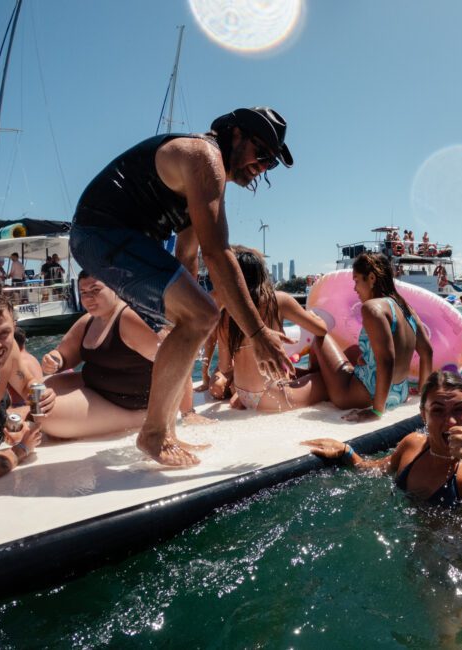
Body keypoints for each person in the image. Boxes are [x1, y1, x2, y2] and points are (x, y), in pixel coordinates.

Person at [69, 106, 295, 466]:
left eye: (270, 164)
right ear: (235, 134)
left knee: (196, 317)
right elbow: (218, 255)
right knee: (202, 315)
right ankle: (154, 434)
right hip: (100, 233)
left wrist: (183, 317)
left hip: (112, 239)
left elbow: (188, 256)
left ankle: (165, 429)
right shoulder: (204, 157)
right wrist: (257, 333)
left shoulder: (204, 179)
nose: (263, 167)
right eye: (262, 153)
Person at [303, 370, 462, 548]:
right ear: (423, 415)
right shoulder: (412, 445)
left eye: (459, 409)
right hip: (420, 553)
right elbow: (373, 470)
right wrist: (346, 451)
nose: (451, 421)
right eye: (437, 410)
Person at [307, 252, 432, 422]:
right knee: (353, 351)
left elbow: (387, 360)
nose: (355, 288)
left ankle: (312, 380)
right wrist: (422, 394)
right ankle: (317, 379)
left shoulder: (372, 308)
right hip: (399, 393)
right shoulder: (407, 309)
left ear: (371, 278)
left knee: (320, 337)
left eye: (357, 280)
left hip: (362, 395)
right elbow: (427, 352)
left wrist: (377, 411)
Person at [40, 272, 163, 439]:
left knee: (47, 415)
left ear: (115, 288)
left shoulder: (130, 318)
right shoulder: (88, 320)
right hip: (97, 387)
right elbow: (64, 353)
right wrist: (54, 360)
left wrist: (187, 411)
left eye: (95, 290)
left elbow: (173, 361)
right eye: (83, 292)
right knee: (42, 388)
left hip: (127, 403)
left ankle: (142, 418)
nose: (88, 298)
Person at [215, 246, 328, 412]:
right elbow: (321, 330)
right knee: (329, 380)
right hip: (273, 395)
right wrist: (316, 317)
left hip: (244, 394)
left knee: (299, 372)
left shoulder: (226, 311)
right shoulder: (277, 300)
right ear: (262, 273)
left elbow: (224, 368)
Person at [0, 293, 55, 483]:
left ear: (14, 328)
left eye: (4, 333)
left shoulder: (11, 347)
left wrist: (41, 395)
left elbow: (25, 383)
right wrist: (22, 449)